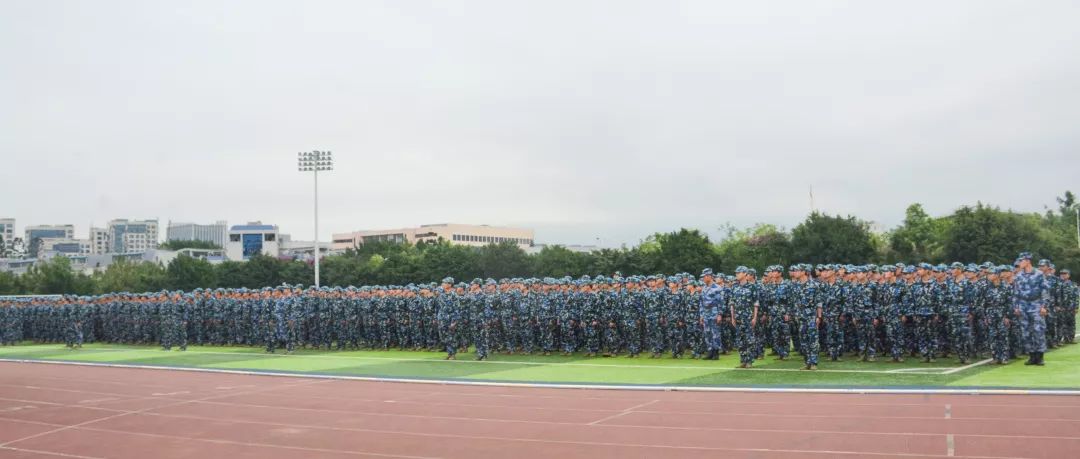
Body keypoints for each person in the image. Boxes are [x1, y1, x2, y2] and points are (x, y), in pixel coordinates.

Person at [1013, 253, 1050, 366]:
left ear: (1028, 261)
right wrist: (1016, 306)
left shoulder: (1039, 274)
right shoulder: (1018, 275)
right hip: (1023, 305)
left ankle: (1040, 356)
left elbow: (1045, 290)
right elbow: (1016, 292)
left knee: (1038, 330)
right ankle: (1032, 356)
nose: (1020, 263)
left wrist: (1044, 306)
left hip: (1036, 305)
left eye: (1021, 261)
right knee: (1026, 331)